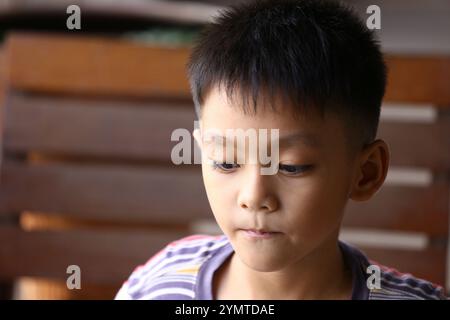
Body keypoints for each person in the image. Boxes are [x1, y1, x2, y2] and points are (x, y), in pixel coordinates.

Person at [115, 0, 447, 300]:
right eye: (226, 161)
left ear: (366, 173)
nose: (254, 195)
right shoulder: (159, 283)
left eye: (291, 166)